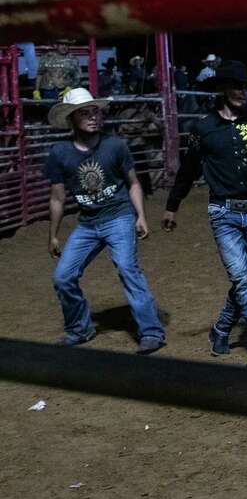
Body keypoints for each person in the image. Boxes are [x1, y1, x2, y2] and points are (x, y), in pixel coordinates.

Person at [162, 60, 247, 368]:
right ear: (221, 89)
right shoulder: (203, 129)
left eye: (245, 86)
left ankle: (220, 329)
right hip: (224, 214)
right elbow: (188, 171)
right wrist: (172, 205)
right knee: (243, 280)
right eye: (236, 86)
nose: (242, 91)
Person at [45, 88, 166, 353]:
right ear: (71, 119)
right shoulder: (60, 153)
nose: (92, 117)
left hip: (119, 216)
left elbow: (133, 183)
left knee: (127, 267)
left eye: (95, 112)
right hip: (88, 223)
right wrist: (53, 235)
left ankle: (152, 332)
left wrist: (141, 216)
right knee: (63, 277)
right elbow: (57, 197)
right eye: (85, 113)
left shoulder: (115, 145)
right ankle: (80, 329)